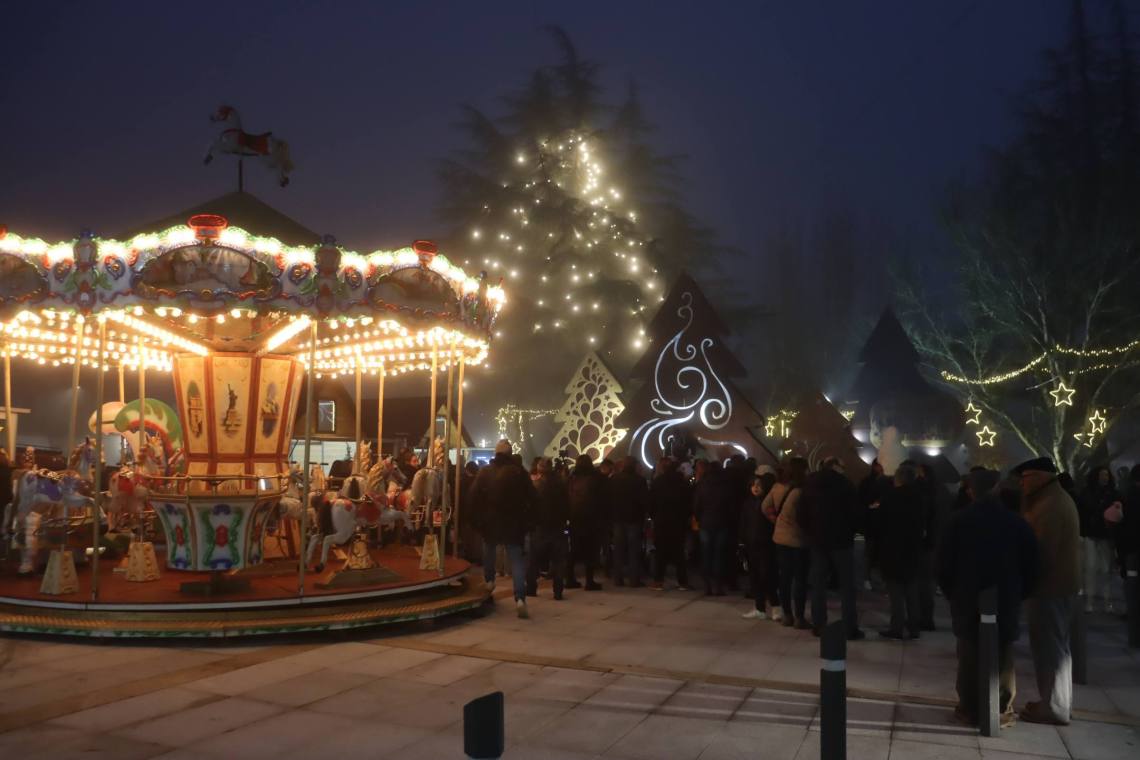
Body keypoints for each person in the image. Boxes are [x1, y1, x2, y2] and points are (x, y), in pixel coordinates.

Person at [938, 468, 1038, 728]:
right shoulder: (1016, 523)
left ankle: (970, 707)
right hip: (1005, 597)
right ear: (997, 489)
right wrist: (1019, 592)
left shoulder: (958, 521)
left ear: (971, 491)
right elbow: (1032, 565)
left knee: (969, 652)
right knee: (1002, 654)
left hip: (967, 596)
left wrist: (954, 593)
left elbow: (943, 566)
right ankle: (1000, 708)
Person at [1015, 457, 1080, 725]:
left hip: (1050, 587)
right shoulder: (1053, 499)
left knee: (1049, 648)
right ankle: (1058, 702)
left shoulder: (1049, 505)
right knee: (1058, 649)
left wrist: (1024, 582)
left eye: (1025, 477)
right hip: (1059, 585)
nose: (1021, 483)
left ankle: (1053, 707)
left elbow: (1041, 552)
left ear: (1039, 477)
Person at [468, 439, 537, 618]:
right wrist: (528, 521)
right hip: (514, 523)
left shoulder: (485, 472)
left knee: (489, 551)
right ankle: (520, 598)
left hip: (490, 522)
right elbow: (533, 498)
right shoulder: (519, 473)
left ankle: (490, 581)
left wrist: (477, 520)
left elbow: (473, 497)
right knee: (516, 561)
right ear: (510, 454)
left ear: (495, 453)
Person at [800, 457, 864, 640]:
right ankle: (850, 627)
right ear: (836, 467)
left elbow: (801, 513)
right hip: (842, 541)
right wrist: (852, 531)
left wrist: (810, 531)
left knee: (818, 585)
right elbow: (856, 514)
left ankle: (819, 625)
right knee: (847, 586)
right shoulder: (846, 484)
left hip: (818, 541)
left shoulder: (810, 483)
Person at [876, 463, 928, 640]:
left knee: (895, 590)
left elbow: (880, 522)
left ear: (897, 479)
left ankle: (896, 626)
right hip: (913, 547)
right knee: (911, 588)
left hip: (892, 547)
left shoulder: (890, 497)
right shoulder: (919, 498)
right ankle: (914, 626)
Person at [765, 457, 810, 628]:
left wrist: (775, 519)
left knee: (784, 577)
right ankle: (799, 617)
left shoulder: (777, 487)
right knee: (800, 579)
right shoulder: (802, 491)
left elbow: (765, 506)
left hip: (780, 538)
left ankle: (787, 615)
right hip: (799, 540)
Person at [526, 457, 569, 600]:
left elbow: (530, 506)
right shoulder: (561, 485)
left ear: (539, 469)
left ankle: (531, 588)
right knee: (558, 560)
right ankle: (558, 591)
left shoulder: (535, 485)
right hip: (558, 526)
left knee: (534, 560)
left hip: (539, 527)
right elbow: (567, 505)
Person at [1079, 466, 1120, 613]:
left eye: (1106, 475)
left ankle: (1104, 601)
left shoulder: (1112, 493)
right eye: (1103, 475)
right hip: (1093, 534)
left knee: (1104, 569)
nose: (1105, 478)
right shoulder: (1092, 492)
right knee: (1091, 568)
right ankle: (1092, 601)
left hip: (1103, 534)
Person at [740, 469, 781, 620]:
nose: (755, 488)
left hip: (766, 544)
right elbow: (743, 523)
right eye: (753, 485)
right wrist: (742, 541)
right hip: (752, 544)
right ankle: (760, 607)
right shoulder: (748, 503)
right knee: (755, 576)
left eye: (758, 485)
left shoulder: (768, 503)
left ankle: (776, 606)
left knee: (768, 575)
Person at [649, 457, 691, 590]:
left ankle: (658, 581)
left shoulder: (658, 482)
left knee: (660, 552)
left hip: (661, 520)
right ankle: (683, 582)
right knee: (679, 553)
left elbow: (652, 502)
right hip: (678, 521)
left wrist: (654, 516)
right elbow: (688, 503)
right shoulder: (683, 483)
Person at [566, 455, 606, 591]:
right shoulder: (596, 478)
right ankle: (589, 581)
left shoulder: (571, 478)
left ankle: (569, 578)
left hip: (575, 517)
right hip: (591, 518)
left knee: (574, 548)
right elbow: (601, 499)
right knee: (591, 549)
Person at [693, 460, 733, 595]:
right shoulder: (725, 486)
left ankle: (707, 585)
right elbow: (730, 507)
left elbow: (697, 505)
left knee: (706, 554)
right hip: (722, 522)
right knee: (718, 555)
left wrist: (699, 518)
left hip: (705, 522)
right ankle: (718, 586)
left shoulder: (702, 485)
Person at [609, 457, 649, 587]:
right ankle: (634, 579)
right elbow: (644, 500)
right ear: (635, 466)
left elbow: (609, 498)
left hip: (618, 518)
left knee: (618, 550)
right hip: (634, 518)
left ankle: (618, 578)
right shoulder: (640, 480)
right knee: (634, 550)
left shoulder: (614, 479)